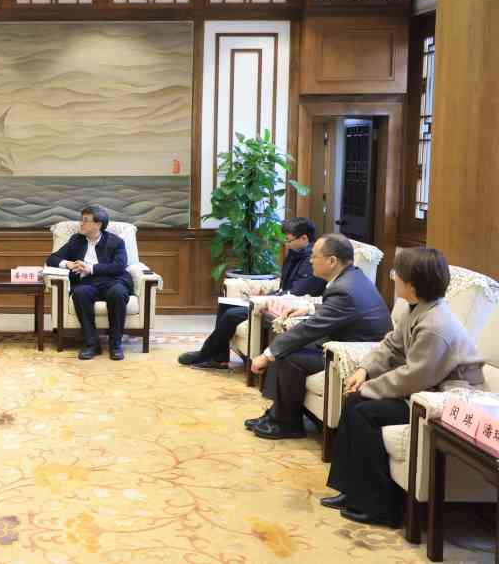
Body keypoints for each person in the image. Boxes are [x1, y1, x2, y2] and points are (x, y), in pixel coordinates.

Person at [323, 247, 484, 527]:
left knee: (364, 412)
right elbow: (391, 345)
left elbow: (414, 376)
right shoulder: (417, 308)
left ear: (412, 284)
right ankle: (352, 491)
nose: (393, 276)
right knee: (354, 403)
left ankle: (380, 507)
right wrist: (364, 369)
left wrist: (368, 388)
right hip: (424, 389)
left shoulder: (436, 326)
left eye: (397, 273)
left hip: (443, 401)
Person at [246, 233, 393, 440]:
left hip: (353, 353)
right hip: (342, 341)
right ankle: (276, 414)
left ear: (332, 261)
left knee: (288, 356)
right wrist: (311, 308)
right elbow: (338, 310)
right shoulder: (350, 277)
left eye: (314, 256)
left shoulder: (345, 289)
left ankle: (288, 424)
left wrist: (266, 354)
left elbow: (309, 329)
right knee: (286, 345)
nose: (310, 260)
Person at [178, 217, 326, 370]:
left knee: (230, 315)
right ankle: (218, 358)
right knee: (225, 306)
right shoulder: (295, 254)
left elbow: (297, 293)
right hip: (278, 300)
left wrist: (267, 299)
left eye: (288, 240)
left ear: (304, 238)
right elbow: (285, 287)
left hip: (286, 307)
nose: (285, 244)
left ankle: (205, 354)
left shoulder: (311, 262)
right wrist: (268, 293)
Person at [46, 205, 134, 361]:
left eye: (85, 220)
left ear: (98, 224)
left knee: (118, 294)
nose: (81, 223)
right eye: (81, 219)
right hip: (87, 283)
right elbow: (52, 259)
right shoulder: (76, 240)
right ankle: (91, 344)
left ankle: (115, 345)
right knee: (80, 293)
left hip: (112, 281)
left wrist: (90, 268)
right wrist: (68, 264)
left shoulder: (116, 242)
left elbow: (119, 266)